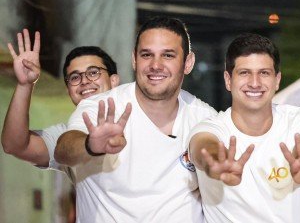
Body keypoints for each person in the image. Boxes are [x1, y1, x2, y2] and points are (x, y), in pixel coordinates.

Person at [55, 17, 217, 222]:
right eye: (146, 55)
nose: (155, 65)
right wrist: (90, 145)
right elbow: (64, 149)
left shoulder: (204, 117)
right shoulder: (100, 107)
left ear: (188, 63)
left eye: (168, 55)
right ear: (134, 59)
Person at [188, 33, 300, 222]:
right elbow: (202, 146)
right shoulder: (211, 128)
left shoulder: (298, 119)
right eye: (244, 73)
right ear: (228, 80)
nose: (255, 83)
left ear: (277, 80)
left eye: (264, 73)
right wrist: (214, 162)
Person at [2, 29, 120, 222]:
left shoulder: (144, 119)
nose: (84, 81)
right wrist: (25, 85)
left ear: (114, 81)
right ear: (69, 90)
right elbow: (14, 145)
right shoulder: (68, 138)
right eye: (75, 77)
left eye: (93, 72)